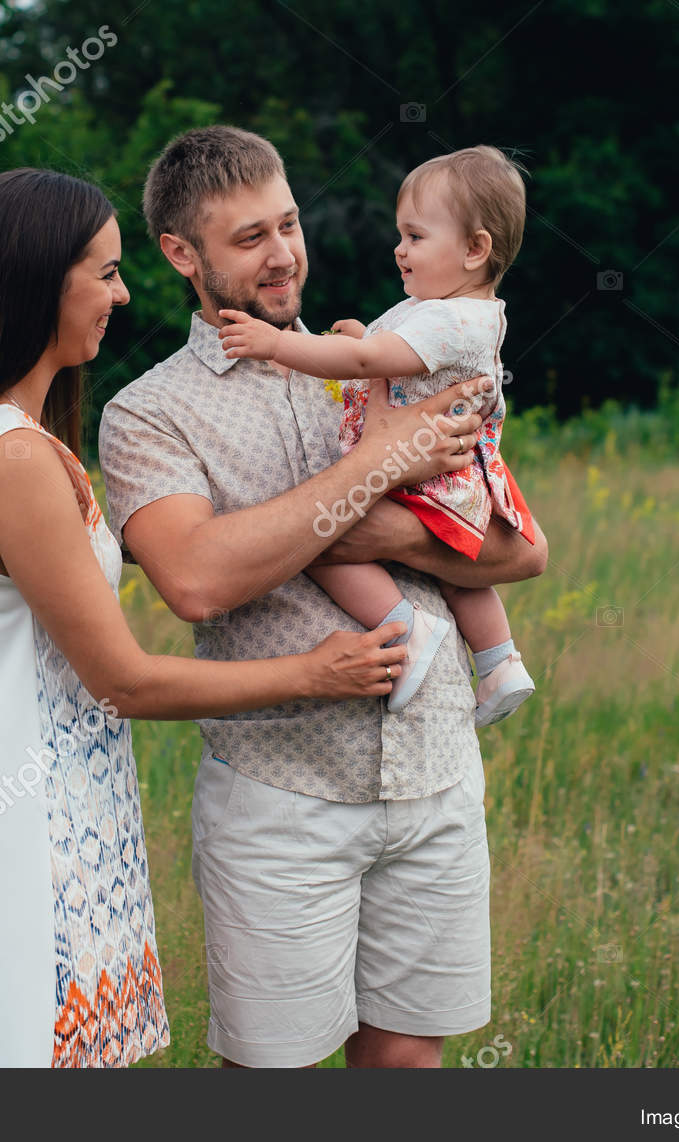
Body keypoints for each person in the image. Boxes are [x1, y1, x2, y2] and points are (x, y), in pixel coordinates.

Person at [0, 167, 468, 1068]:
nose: (124, 291)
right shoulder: (18, 459)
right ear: (39, 282)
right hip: (20, 844)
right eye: (103, 273)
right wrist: (316, 673)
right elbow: (125, 679)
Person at [99, 126, 548, 1069]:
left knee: (407, 1068)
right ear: (182, 255)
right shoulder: (148, 412)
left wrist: (368, 530)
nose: (283, 254)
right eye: (249, 237)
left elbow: (518, 551)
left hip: (434, 771)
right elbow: (196, 579)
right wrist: (384, 469)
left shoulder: (388, 353)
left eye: (290, 224)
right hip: (284, 795)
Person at [217, 145, 537, 726]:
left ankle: (407, 629)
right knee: (449, 567)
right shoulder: (452, 309)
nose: (400, 249)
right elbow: (402, 363)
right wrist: (368, 336)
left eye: (415, 236)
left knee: (314, 539)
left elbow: (367, 364)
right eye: (401, 235)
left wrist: (275, 344)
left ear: (475, 249)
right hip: (447, 471)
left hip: (422, 467)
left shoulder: (450, 316)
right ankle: (498, 659)